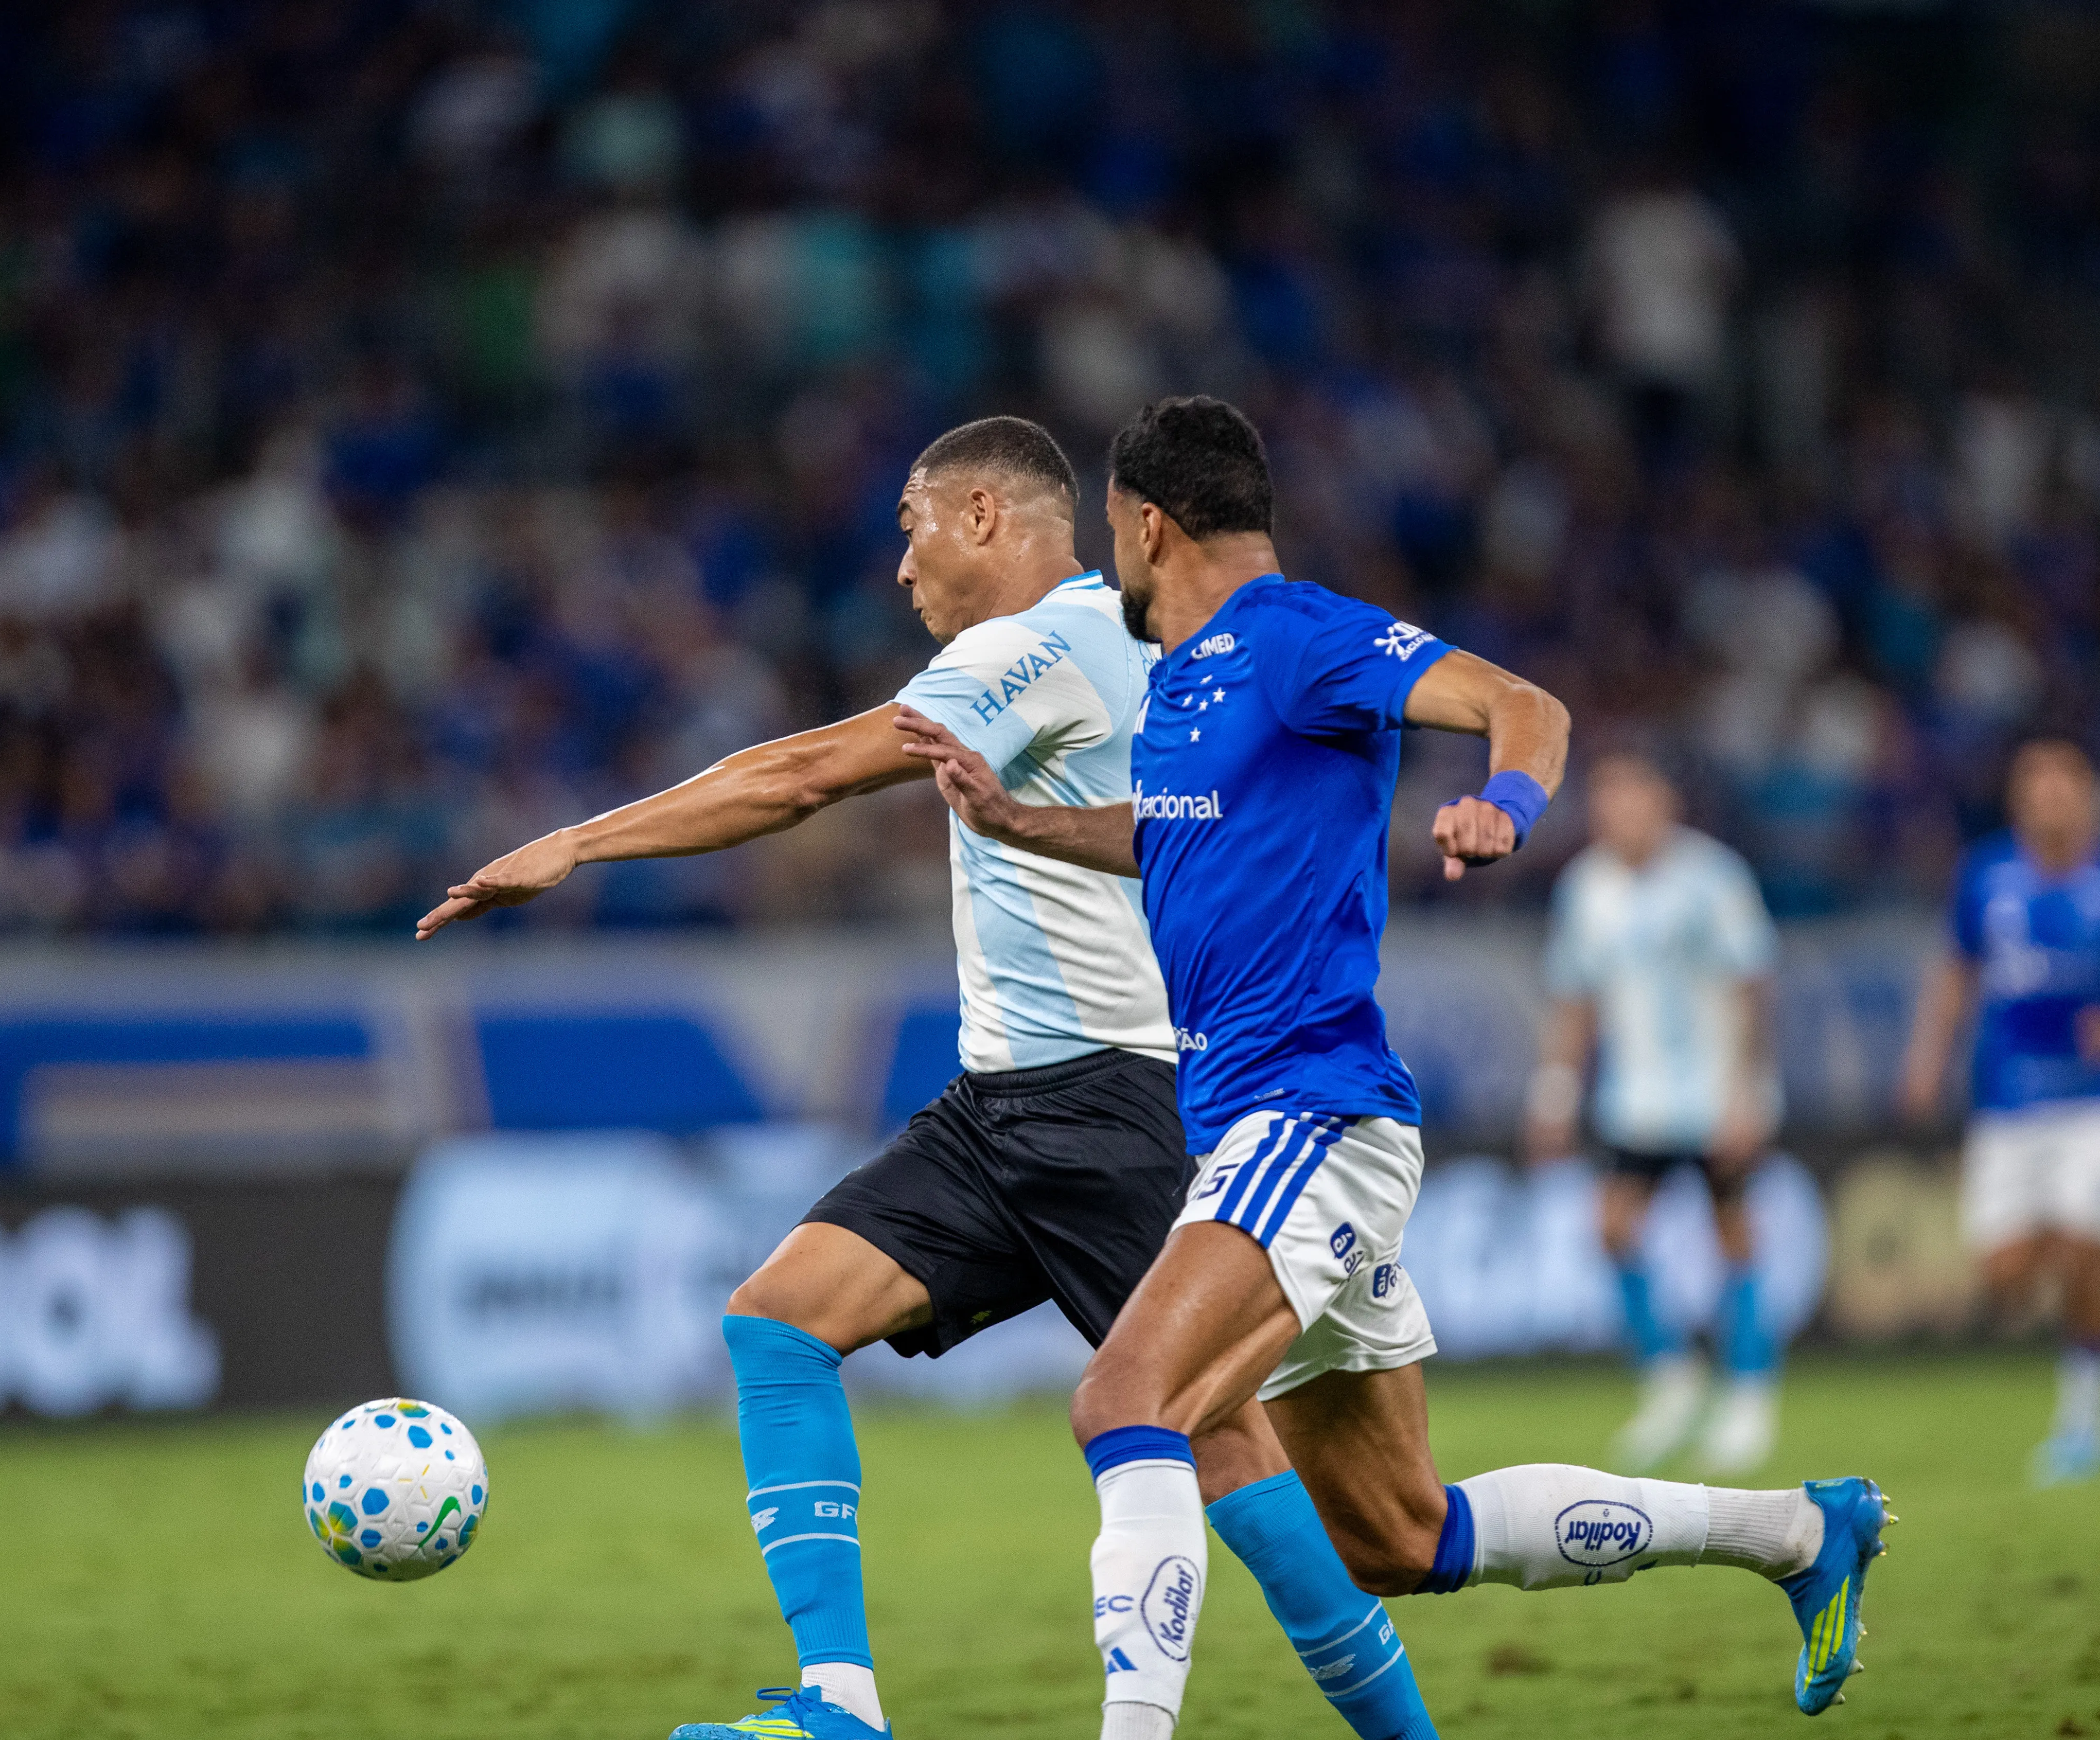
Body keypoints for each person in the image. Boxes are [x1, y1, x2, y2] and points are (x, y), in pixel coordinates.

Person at [417, 416, 1443, 1740]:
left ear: (978, 515)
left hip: (1111, 1105)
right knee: (777, 1320)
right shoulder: (1130, 644)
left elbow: (796, 777)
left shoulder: (1039, 644)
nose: (899, 570)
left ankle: (1405, 1729)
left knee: (1226, 1439)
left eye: (908, 530)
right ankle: (838, 1703)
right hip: (1001, 1103)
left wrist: (577, 841)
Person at [904, 396, 1890, 1738]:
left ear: (1146, 523)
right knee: (1400, 1532)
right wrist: (1019, 817)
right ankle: (1797, 1527)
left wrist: (1511, 803)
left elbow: (1520, 704)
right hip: (1260, 1132)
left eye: (1108, 532)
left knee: (1126, 1400)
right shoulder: (1189, 680)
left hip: (1309, 1117)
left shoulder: (1295, 636)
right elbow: (1176, 831)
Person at [1898, 738, 2100, 1485]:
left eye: (2064, 783)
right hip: (2009, 1103)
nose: (2051, 797)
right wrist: (1928, 1059)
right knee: (2007, 1279)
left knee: (2087, 1252)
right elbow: (1957, 971)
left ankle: (2085, 1415)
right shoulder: (1986, 876)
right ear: (2020, 799)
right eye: (2037, 785)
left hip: (2099, 1101)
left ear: (2087, 795)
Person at [1525, 750, 1786, 1474]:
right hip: (1636, 1098)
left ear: (1663, 801)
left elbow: (1753, 988)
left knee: (1733, 1235)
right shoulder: (1586, 887)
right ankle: (1672, 1377)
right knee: (1612, 1230)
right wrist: (1555, 1089)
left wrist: (1748, 1093)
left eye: (1630, 798)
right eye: (1606, 801)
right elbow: (1574, 998)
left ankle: (1749, 1396)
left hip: (1715, 1094)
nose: (1617, 814)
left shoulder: (1714, 878)